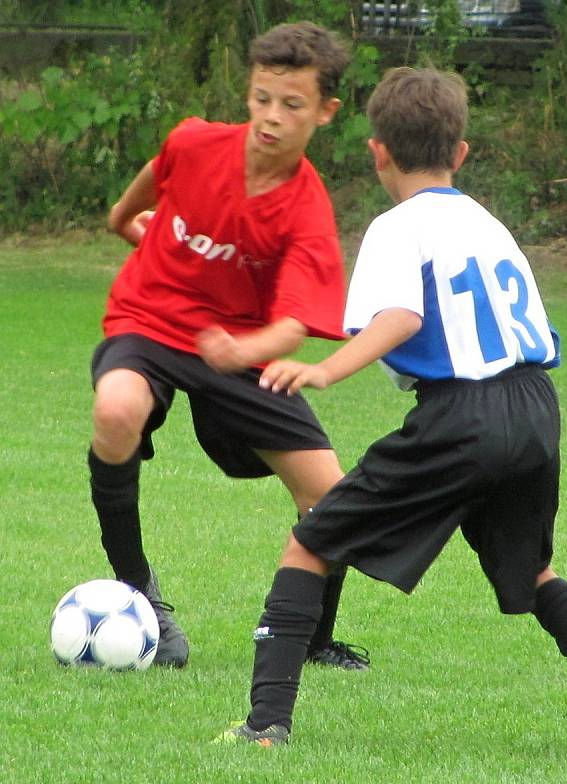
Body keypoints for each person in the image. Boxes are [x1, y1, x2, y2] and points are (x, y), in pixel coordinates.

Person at [214, 66, 567, 758]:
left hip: (464, 413)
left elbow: (401, 315)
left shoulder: (399, 227)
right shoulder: (487, 223)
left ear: (377, 152)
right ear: (459, 154)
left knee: (310, 542)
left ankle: (263, 728)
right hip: (534, 407)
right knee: (535, 572)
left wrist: (325, 368)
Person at [88, 21, 369, 671]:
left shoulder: (306, 209)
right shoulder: (192, 143)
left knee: (332, 499)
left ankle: (313, 639)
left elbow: (294, 327)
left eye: (292, 105)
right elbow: (136, 200)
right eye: (261, 98)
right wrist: (128, 226)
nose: (272, 117)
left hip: (240, 349)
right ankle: (141, 598)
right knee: (115, 411)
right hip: (149, 322)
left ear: (325, 111)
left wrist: (242, 352)